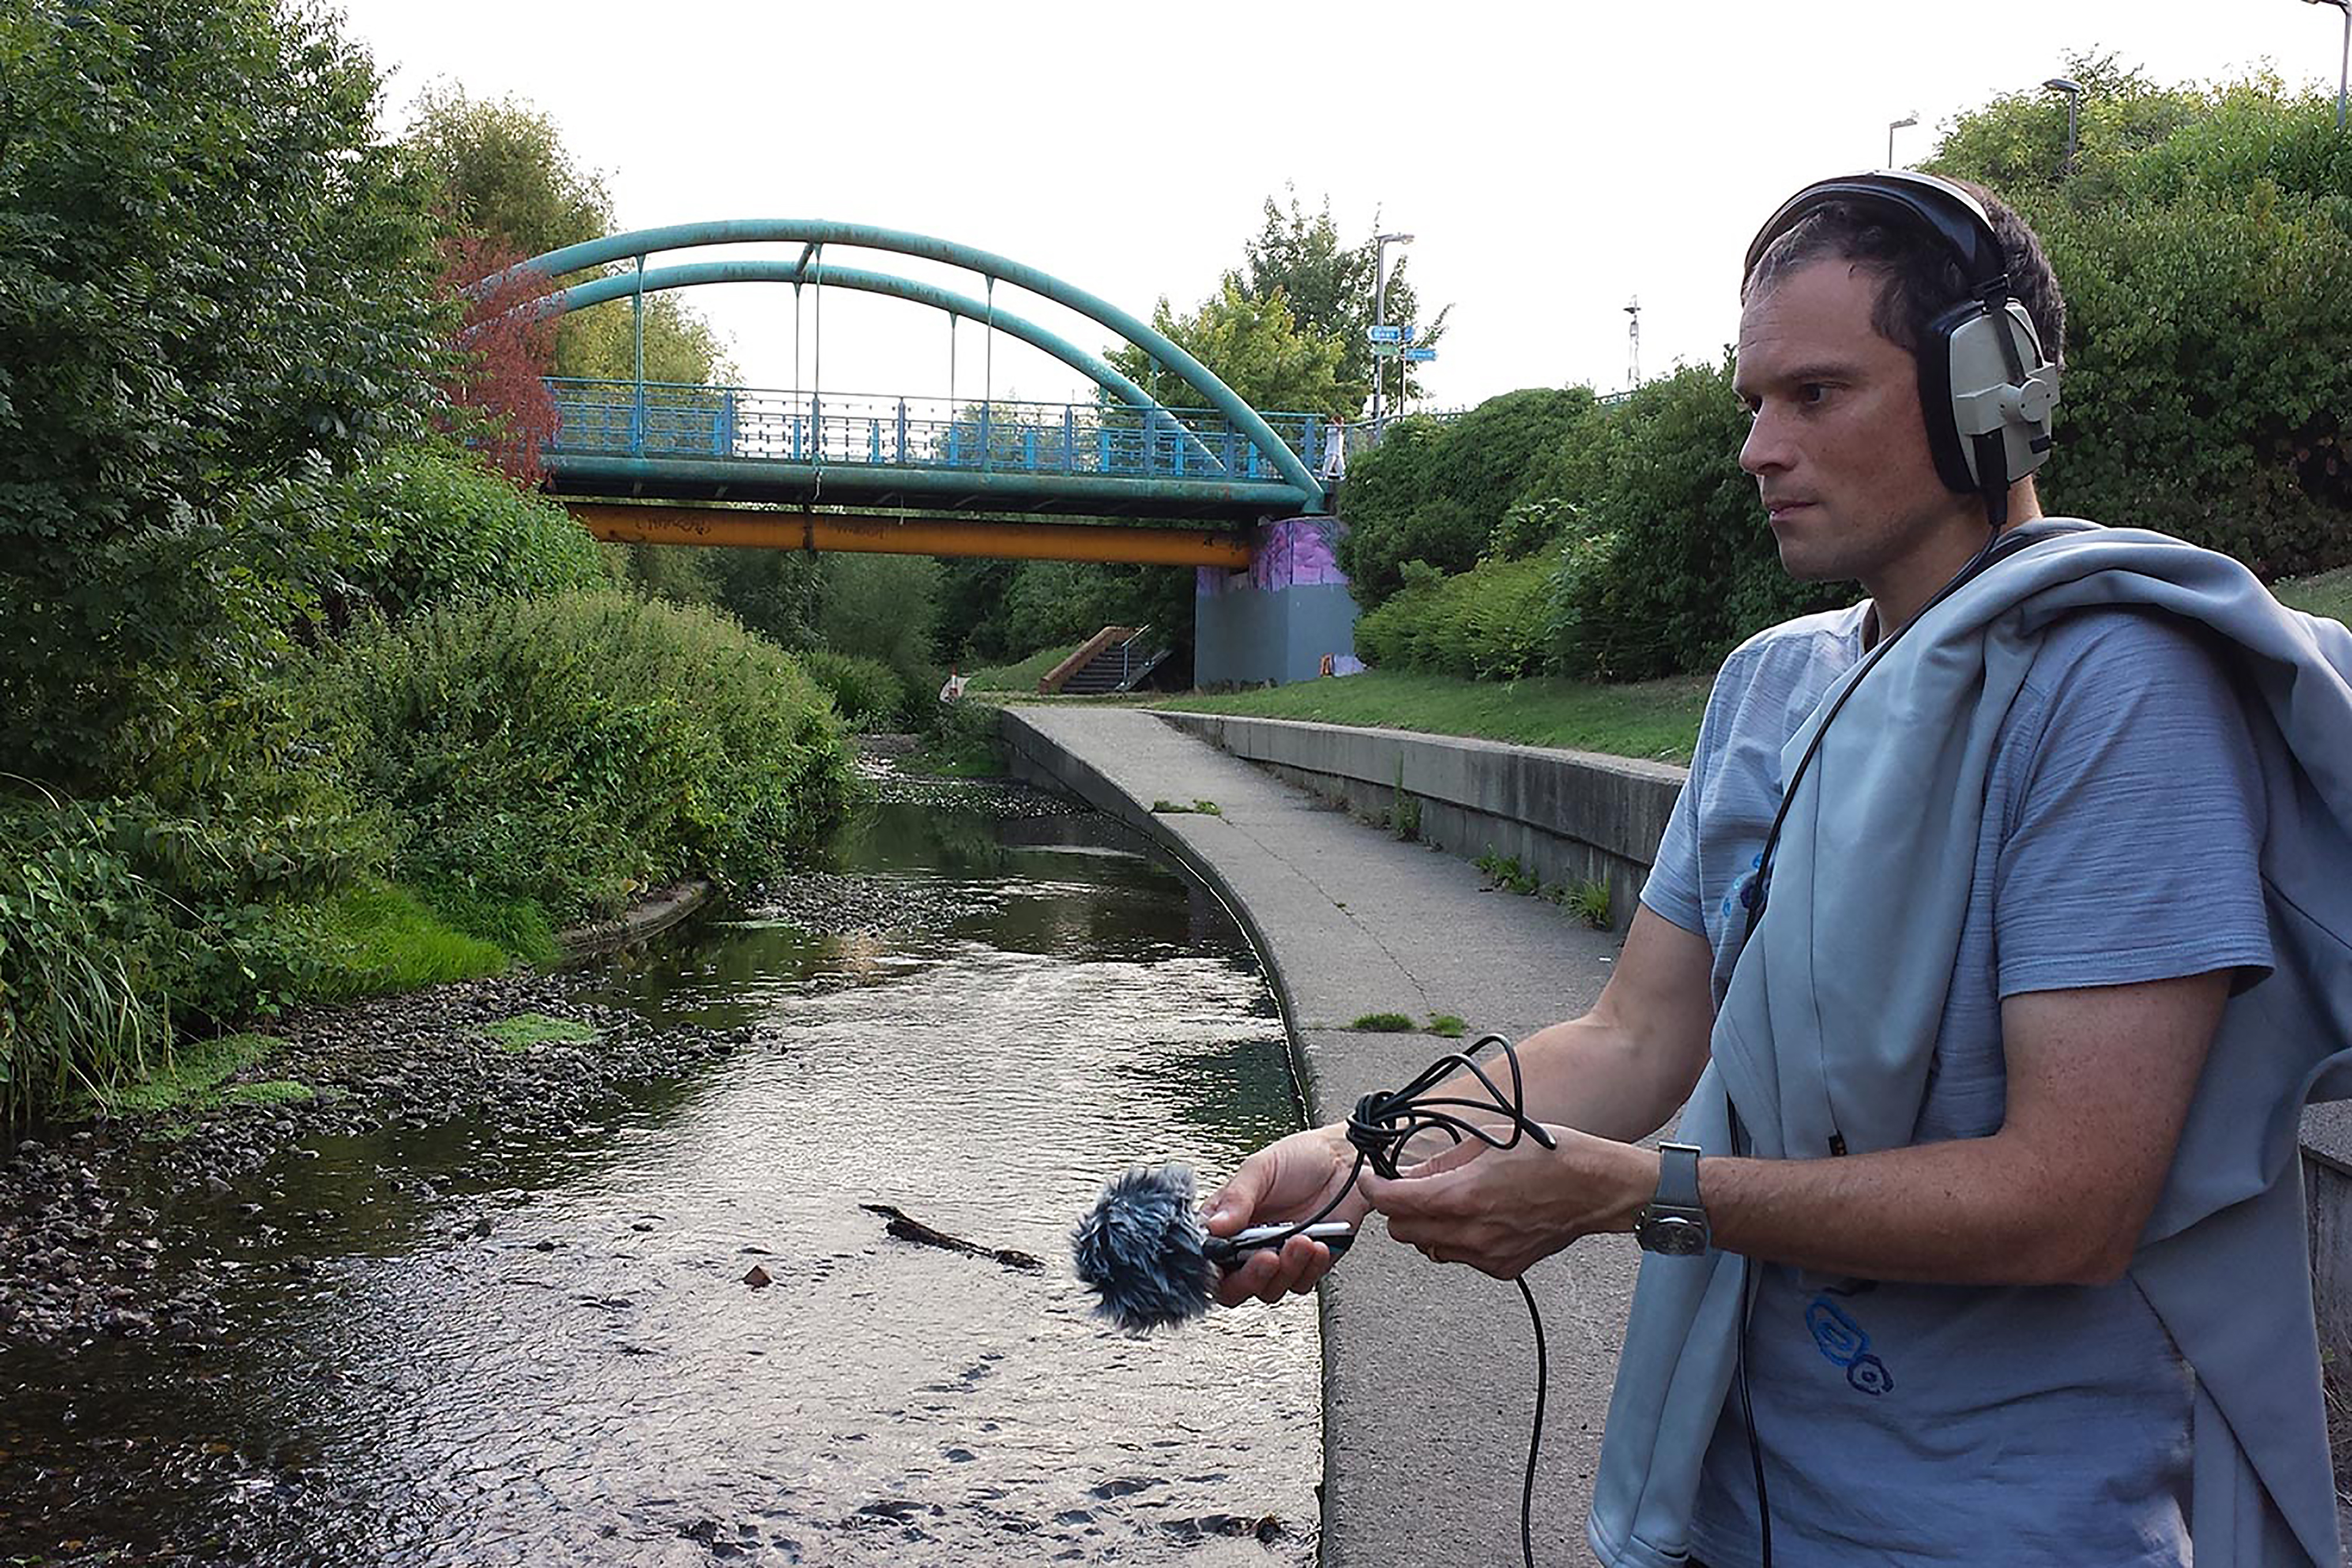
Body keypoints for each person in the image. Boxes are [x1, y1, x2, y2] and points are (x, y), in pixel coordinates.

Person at [1202, 171, 2352, 1566]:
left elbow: (2071, 1201)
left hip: (2003, 1525)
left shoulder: (2114, 692)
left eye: (1815, 395)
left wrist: (1638, 1194)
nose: (1758, 446)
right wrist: (1348, 1156)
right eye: (1752, 401)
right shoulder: (1768, 687)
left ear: (1984, 396)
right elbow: (1632, 1036)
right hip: (1726, 1486)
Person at [1318, 413, 1347, 484]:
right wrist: (1334, 422)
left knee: (1342, 470)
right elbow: (1339, 429)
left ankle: (1344, 480)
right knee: (1327, 467)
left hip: (1338, 453)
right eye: (1342, 422)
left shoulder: (1338, 430)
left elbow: (1340, 429)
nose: (1343, 423)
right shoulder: (1331, 429)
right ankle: (1323, 478)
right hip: (1332, 452)